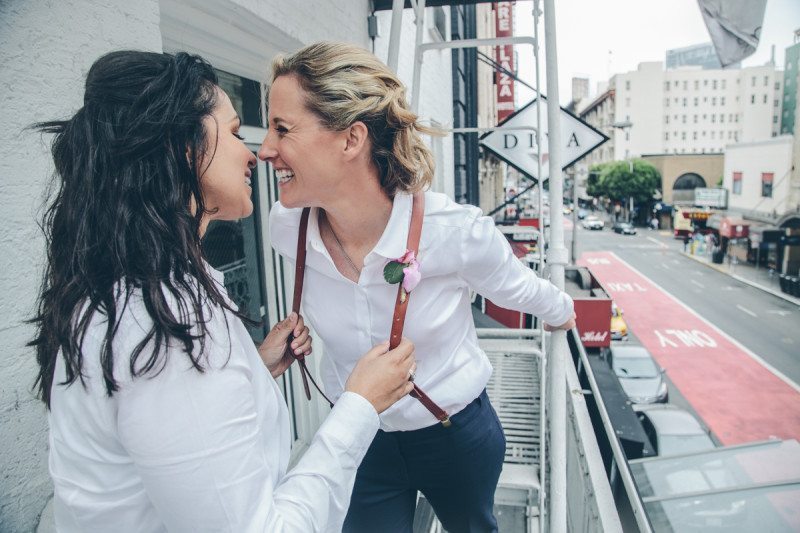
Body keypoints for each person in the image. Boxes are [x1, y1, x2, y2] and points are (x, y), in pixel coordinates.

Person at [30, 50, 416, 532]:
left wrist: (250, 368)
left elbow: (169, 419)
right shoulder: (165, 326)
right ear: (183, 146)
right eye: (235, 133)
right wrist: (360, 404)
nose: (255, 152)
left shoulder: (130, 286)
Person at [261, 41, 576, 533]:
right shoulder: (286, 229)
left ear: (351, 139)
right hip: (359, 434)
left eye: (282, 128)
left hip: (455, 432)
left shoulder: (455, 232)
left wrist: (563, 311)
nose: (265, 149)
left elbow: (518, 289)